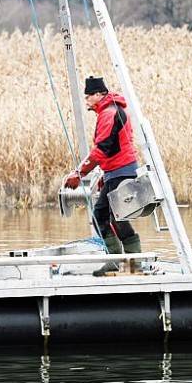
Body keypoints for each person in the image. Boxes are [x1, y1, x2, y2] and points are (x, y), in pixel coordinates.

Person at [64, 76, 143, 276]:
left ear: (100, 94)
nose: (87, 99)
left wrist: (79, 174)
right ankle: (127, 264)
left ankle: (120, 263)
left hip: (120, 171)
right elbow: (113, 147)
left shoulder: (109, 113)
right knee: (114, 217)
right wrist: (104, 174)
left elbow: (102, 149)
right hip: (118, 170)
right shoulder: (112, 110)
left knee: (104, 216)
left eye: (89, 95)